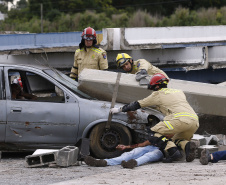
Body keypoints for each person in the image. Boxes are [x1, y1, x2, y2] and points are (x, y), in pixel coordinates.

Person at [110, 73, 199, 163]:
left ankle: (173, 152)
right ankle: (188, 146)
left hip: (179, 120)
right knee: (177, 139)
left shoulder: (157, 94)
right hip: (194, 122)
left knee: (154, 133)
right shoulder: (179, 92)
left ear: (156, 87)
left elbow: (137, 104)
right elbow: (171, 104)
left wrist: (119, 109)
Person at [84, 140, 164, 169]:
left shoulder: (175, 135)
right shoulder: (160, 132)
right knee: (130, 153)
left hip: (160, 151)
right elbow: (143, 144)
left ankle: (133, 163)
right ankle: (103, 162)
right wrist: (126, 147)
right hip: (150, 146)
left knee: (148, 156)